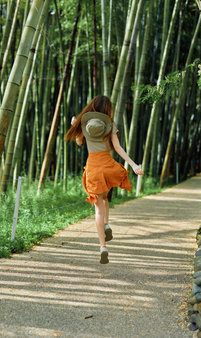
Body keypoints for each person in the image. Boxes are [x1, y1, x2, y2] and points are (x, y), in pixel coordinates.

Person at [65, 95, 144, 264]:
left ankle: (102, 247)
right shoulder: (109, 126)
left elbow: (79, 143)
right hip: (107, 166)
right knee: (105, 197)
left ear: (92, 106)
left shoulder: (85, 125)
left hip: (93, 167)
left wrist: (74, 126)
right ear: (107, 109)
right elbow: (117, 147)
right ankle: (107, 225)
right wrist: (134, 165)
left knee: (98, 207)